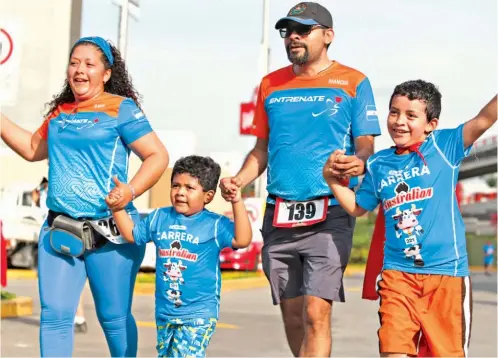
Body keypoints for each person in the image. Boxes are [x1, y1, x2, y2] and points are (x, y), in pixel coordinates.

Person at [220, 2, 381, 356]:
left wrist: (359, 162)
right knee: (292, 316)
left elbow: (365, 145)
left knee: (315, 312)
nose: (293, 36)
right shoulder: (270, 84)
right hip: (279, 211)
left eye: (302, 30)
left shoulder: (354, 82)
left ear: (328, 36)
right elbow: (261, 149)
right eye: (287, 30)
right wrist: (239, 179)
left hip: (330, 211)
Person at [0, 36, 169, 357]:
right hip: (59, 231)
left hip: (110, 233)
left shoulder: (121, 109)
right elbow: (31, 149)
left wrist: (129, 191)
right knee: (55, 319)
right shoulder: (61, 113)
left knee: (113, 318)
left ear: (106, 73)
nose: (79, 70)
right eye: (74, 62)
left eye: (89, 64)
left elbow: (157, 156)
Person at [323, 80, 497, 356]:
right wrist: (332, 182)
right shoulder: (379, 163)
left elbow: (485, 119)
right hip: (397, 276)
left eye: (410, 115)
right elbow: (358, 206)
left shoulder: (445, 146)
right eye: (394, 112)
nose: (399, 121)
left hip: (446, 277)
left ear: (431, 124)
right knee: (393, 351)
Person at [106, 155, 252, 357]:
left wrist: (237, 200)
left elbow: (242, 239)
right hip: (165, 312)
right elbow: (132, 235)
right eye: (175, 186)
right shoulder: (159, 217)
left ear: (208, 196)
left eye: (189, 188)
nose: (180, 192)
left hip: (198, 314)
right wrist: (117, 208)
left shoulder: (215, 224)